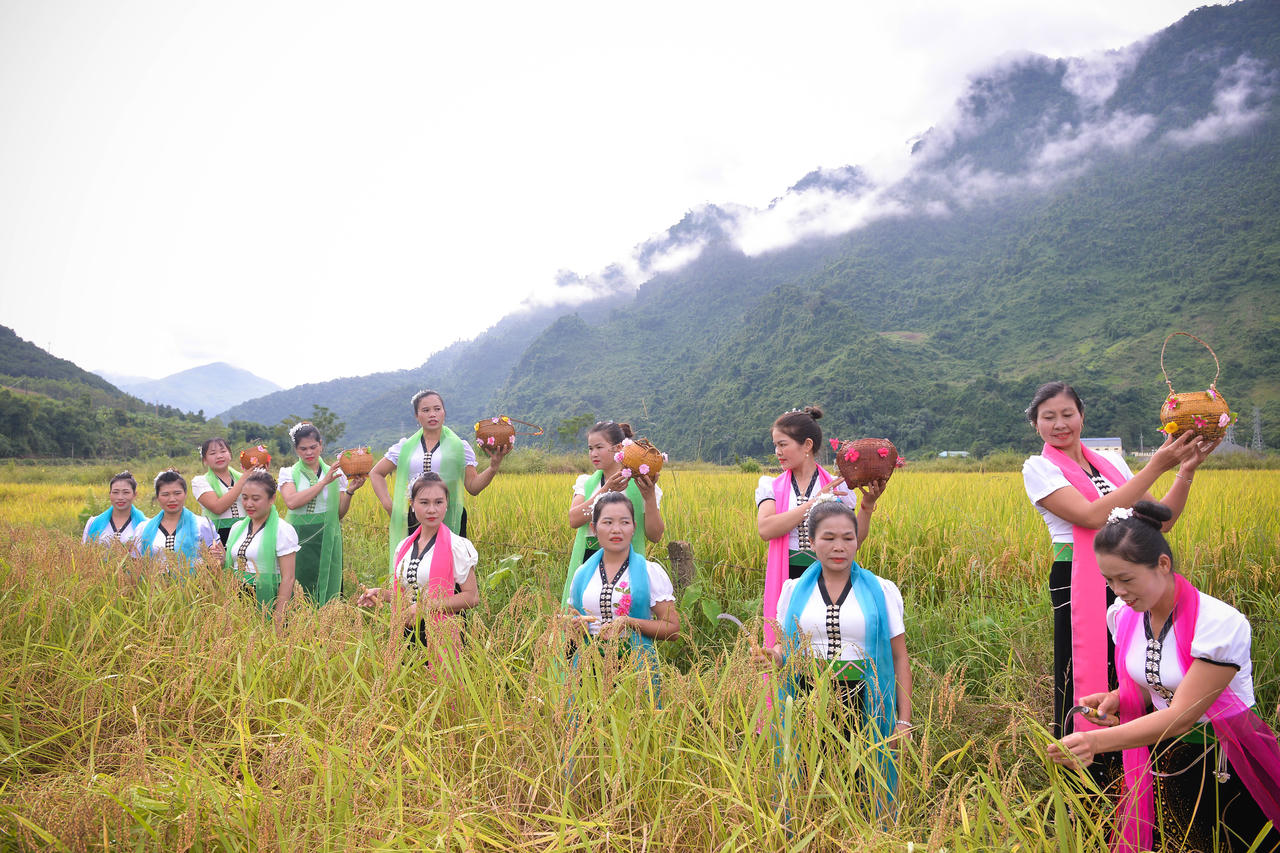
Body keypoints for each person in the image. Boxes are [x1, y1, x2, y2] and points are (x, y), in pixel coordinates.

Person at [1047, 501, 1280, 852]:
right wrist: (1116, 698)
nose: (1118, 590)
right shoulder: (1123, 616)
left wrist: (1094, 742)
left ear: (1163, 564)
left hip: (1226, 762)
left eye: (1126, 578)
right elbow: (1150, 686)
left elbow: (1182, 716)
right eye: (1109, 580)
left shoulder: (1217, 624)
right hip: (1165, 757)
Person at [1021, 381, 1218, 740]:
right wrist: (1156, 464)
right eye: (1048, 417)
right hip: (1078, 575)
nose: (1060, 423)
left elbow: (1162, 520)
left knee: (1136, 661)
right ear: (1036, 423)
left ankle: (1135, 756)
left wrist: (1184, 470)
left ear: (1082, 415)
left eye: (1068, 414)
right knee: (1080, 668)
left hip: (1132, 574)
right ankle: (1084, 765)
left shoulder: (1110, 462)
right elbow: (1092, 516)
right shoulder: (1038, 468)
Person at [756, 501, 912, 805]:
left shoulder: (882, 590)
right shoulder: (793, 590)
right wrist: (773, 657)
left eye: (847, 538)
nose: (838, 547)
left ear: (857, 539)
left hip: (866, 700)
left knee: (864, 790)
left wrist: (903, 722)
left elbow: (899, 657)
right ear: (811, 542)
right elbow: (785, 648)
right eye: (828, 538)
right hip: (806, 700)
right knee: (807, 788)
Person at [756, 406, 885, 649]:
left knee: (823, 643)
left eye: (783, 445)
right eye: (775, 445)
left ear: (806, 445)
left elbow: (853, 539)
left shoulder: (839, 487)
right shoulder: (770, 486)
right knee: (786, 644)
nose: (777, 452)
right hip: (787, 574)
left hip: (829, 576)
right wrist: (816, 502)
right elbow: (766, 529)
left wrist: (867, 506)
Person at [368, 390, 508, 573]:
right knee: (414, 571)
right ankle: (415, 603)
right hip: (414, 517)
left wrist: (493, 467)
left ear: (444, 412)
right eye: (425, 410)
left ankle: (447, 602)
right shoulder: (405, 447)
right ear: (417, 416)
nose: (432, 414)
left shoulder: (460, 446)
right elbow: (376, 473)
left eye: (437, 409)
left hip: (448, 516)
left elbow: (473, 487)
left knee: (451, 570)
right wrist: (390, 506)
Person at [564, 492, 680, 697]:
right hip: (588, 672)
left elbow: (672, 629)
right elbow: (570, 624)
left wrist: (628, 622)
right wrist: (575, 626)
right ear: (594, 528)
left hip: (634, 671)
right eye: (607, 522)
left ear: (634, 527)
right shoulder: (582, 574)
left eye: (624, 522)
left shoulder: (650, 572)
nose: (616, 529)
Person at [357, 473, 480, 648]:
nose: (432, 509)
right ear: (412, 504)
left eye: (439, 502)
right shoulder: (404, 547)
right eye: (424, 502)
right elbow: (409, 596)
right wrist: (381, 594)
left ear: (447, 504)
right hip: (407, 631)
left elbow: (472, 597)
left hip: (444, 635)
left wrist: (426, 607)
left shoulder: (457, 546)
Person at [562, 420, 665, 603]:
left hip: (626, 562)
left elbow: (655, 535)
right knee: (584, 618)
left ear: (618, 448)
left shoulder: (642, 484)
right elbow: (574, 519)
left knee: (621, 616)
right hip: (588, 559)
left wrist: (649, 498)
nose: (593, 454)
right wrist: (606, 490)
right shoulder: (586, 483)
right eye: (590, 448)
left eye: (599, 447)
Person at [278, 422, 365, 606]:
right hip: (297, 538)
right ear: (296, 450)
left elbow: (338, 514)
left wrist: (350, 491)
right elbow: (292, 502)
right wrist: (323, 483)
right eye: (303, 449)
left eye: (313, 447)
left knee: (327, 585)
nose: (309, 453)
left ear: (321, 445)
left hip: (327, 535)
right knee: (298, 586)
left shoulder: (336, 473)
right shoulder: (289, 473)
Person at [224, 471, 299, 624]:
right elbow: (232, 565)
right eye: (244, 498)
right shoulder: (238, 527)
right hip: (239, 597)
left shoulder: (283, 530)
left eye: (256, 499)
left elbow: (288, 578)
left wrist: (279, 617)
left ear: (272, 499)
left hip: (269, 596)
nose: (248, 504)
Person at [133, 470, 223, 569]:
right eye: (165, 494)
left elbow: (221, 560)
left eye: (177, 493)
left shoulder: (202, 524)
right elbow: (135, 565)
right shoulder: (143, 528)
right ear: (158, 497)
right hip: (153, 583)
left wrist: (217, 557)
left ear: (185, 494)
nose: (172, 499)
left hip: (195, 583)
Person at [192, 438, 252, 546]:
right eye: (213, 453)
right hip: (216, 535)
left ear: (230, 455)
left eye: (223, 451)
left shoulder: (245, 478)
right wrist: (244, 479)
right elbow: (217, 507)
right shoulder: (200, 481)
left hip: (246, 531)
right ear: (205, 460)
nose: (219, 456)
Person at [82, 471, 146, 545]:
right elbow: (85, 551)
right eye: (115, 492)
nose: (120, 497)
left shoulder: (145, 525)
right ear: (110, 494)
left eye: (126, 492)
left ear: (134, 494)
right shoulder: (93, 523)